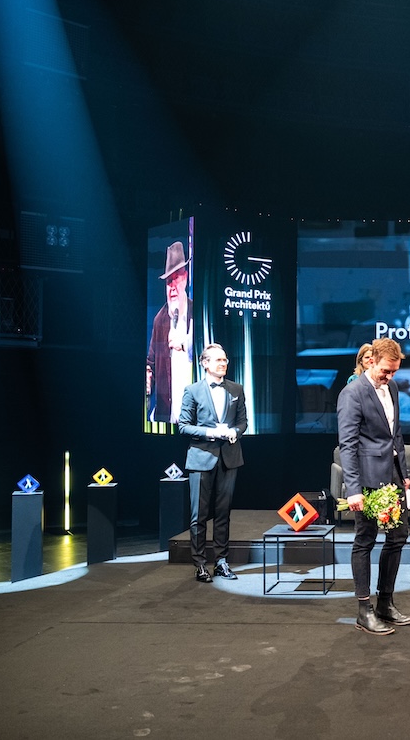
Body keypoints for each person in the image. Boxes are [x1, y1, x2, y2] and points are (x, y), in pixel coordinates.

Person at [337, 337, 410, 635]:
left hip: (393, 475)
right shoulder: (352, 393)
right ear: (371, 360)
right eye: (386, 370)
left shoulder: (392, 387)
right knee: (365, 539)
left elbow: (396, 434)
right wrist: (353, 489)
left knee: (398, 537)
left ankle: (385, 603)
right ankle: (364, 610)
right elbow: (347, 445)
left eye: (394, 371)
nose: (390, 376)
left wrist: (403, 472)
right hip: (367, 479)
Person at [177, 343, 247, 583]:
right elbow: (183, 426)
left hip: (229, 457)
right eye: (218, 360)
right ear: (205, 363)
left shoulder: (236, 389)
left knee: (223, 513)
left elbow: (243, 421)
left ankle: (221, 562)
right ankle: (199, 564)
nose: (223, 364)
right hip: (201, 458)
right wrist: (211, 433)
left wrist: (235, 432)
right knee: (199, 515)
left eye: (225, 360)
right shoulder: (192, 390)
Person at [146, 241, 194, 423]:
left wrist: (184, 344)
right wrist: (148, 375)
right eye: (168, 281)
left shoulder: (197, 313)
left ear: (186, 278)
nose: (172, 287)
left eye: (176, 278)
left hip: (196, 417)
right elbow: (151, 362)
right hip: (168, 415)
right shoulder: (159, 320)